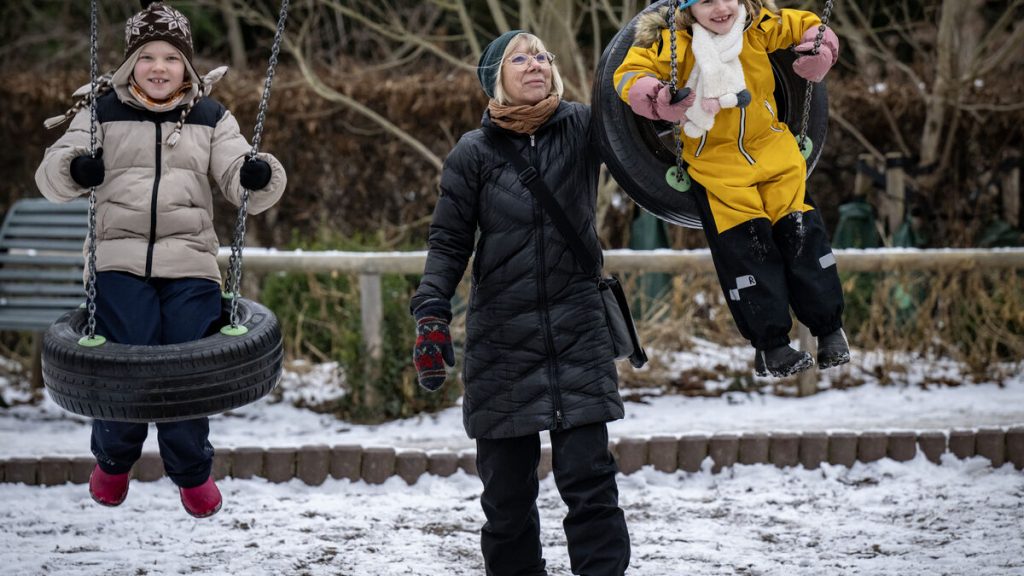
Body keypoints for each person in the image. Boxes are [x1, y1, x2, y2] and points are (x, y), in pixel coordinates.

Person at [34, 1, 286, 518]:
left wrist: (257, 176)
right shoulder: (100, 112)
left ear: (186, 67)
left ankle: (191, 471)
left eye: (171, 57)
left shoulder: (212, 118)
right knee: (128, 361)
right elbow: (51, 173)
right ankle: (113, 458)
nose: (158, 67)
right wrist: (78, 168)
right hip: (117, 260)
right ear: (129, 66)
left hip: (190, 262)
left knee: (187, 368)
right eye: (146, 56)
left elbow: (239, 169)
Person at [410, 30, 631, 576]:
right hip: (502, 342)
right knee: (506, 503)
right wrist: (432, 313)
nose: (534, 64)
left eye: (541, 56)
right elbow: (448, 241)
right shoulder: (474, 152)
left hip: (577, 329)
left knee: (591, 487)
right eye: (519, 58)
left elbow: (648, 140)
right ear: (496, 78)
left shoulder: (585, 125)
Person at [613, 0, 850, 377]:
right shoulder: (671, 41)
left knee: (804, 239)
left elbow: (806, 24)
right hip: (718, 167)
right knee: (748, 252)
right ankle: (771, 345)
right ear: (689, 7)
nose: (721, 7)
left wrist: (822, 49)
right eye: (707, 1)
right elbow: (628, 74)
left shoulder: (757, 26)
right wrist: (657, 97)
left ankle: (830, 329)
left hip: (776, 155)